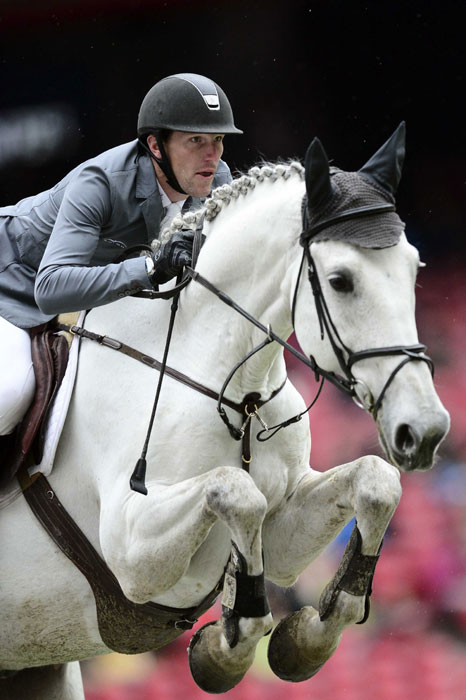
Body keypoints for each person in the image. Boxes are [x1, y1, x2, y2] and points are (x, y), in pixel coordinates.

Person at [0, 73, 242, 437]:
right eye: (196, 140)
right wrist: (149, 268)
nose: (213, 155)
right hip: (12, 280)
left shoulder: (215, 180)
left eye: (218, 140)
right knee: (11, 390)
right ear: (155, 146)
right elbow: (50, 289)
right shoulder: (100, 181)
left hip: (80, 297)